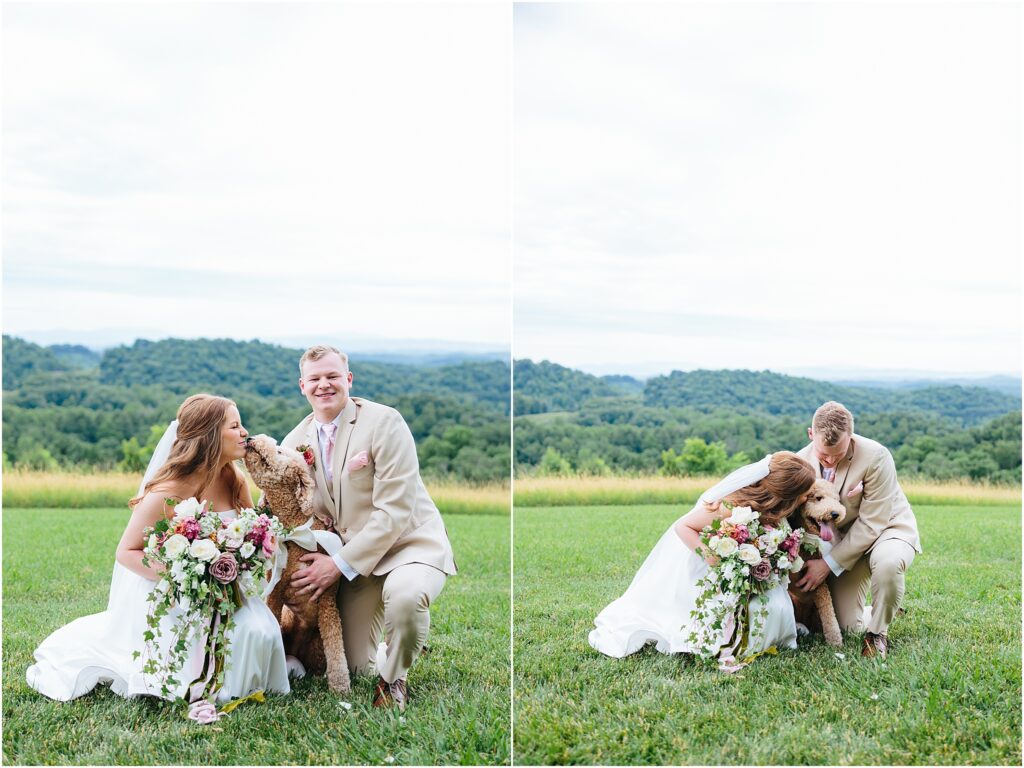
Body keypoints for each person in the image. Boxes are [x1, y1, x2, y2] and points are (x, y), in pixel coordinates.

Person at [26, 394, 290, 703]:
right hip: (175, 594)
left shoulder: (235, 479)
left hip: (227, 590)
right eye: (235, 426)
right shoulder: (169, 490)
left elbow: (251, 534)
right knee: (226, 641)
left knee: (261, 630)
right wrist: (190, 576)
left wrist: (254, 552)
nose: (245, 432)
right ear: (209, 436)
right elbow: (126, 552)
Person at [282, 345, 457, 710]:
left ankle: (393, 680)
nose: (324, 385)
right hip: (355, 564)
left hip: (409, 546)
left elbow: (394, 510)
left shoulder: (385, 422)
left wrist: (337, 565)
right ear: (302, 386)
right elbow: (296, 510)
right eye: (315, 379)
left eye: (333, 376)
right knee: (354, 666)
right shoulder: (293, 443)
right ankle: (402, 640)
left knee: (406, 598)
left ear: (348, 379)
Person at [589, 452, 815, 663]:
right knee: (722, 620)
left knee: (775, 608)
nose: (807, 497)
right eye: (804, 492)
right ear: (787, 493)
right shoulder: (730, 505)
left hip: (750, 574)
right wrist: (711, 557)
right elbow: (683, 526)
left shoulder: (780, 512)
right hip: (713, 572)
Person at [794, 401, 921, 658]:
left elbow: (873, 521)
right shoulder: (798, 461)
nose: (830, 460)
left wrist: (828, 564)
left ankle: (877, 634)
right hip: (842, 544)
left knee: (888, 563)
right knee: (846, 626)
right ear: (810, 434)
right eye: (824, 455)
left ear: (850, 436)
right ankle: (882, 604)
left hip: (888, 529)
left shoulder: (877, 456)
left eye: (837, 455)